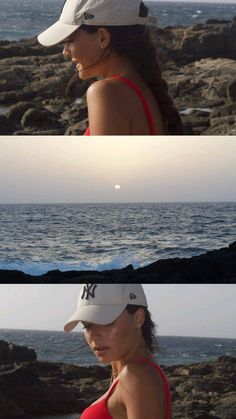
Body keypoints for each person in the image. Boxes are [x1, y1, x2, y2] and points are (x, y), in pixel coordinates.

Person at [38, 0, 184, 136]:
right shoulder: (145, 87)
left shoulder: (106, 92)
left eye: (69, 40)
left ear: (102, 37)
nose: (65, 52)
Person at [64, 283, 171, 419]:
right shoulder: (131, 373)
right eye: (87, 325)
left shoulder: (137, 376)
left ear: (138, 318)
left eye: (106, 322)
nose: (93, 335)